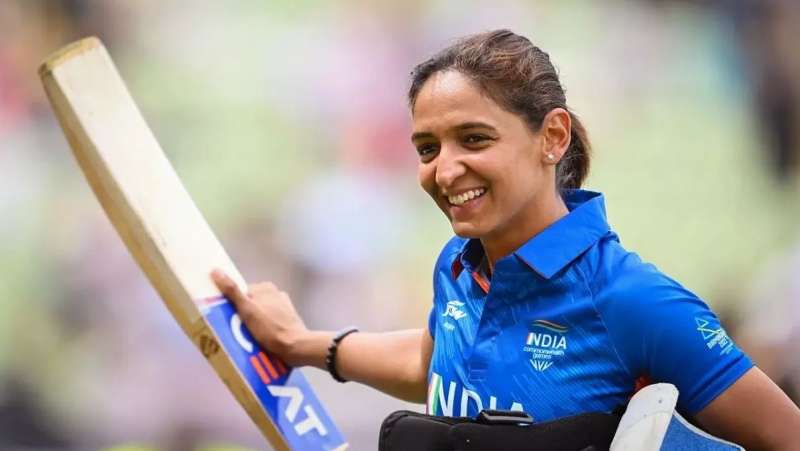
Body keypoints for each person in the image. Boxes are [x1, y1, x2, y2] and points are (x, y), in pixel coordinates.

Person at [211, 30, 800, 449]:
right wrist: (301, 344)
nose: (445, 170)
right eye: (427, 148)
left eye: (474, 139)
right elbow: (432, 359)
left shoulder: (633, 301)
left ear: (552, 137)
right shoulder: (458, 264)